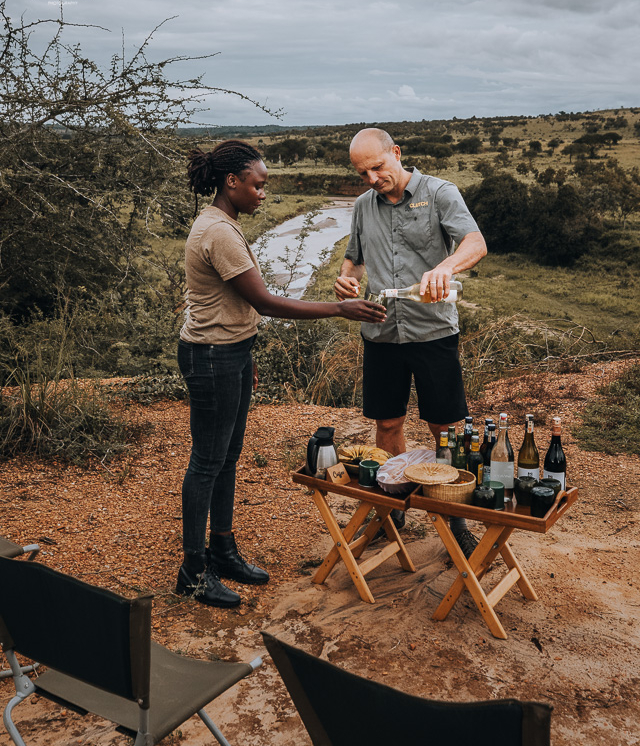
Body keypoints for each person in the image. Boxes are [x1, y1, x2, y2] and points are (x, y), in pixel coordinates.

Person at [177, 140, 386, 608]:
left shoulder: (222, 222)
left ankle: (222, 550)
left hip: (229, 352)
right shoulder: (220, 232)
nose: (263, 193)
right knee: (207, 462)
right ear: (232, 181)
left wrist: (246, 355)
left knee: (227, 457)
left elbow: (236, 309)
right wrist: (339, 307)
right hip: (211, 357)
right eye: (258, 184)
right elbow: (266, 302)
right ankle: (192, 571)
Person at [334, 128, 487, 558]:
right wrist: (348, 277)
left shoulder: (439, 193)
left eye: (377, 167)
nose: (370, 179)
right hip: (381, 332)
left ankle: (455, 520)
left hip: (432, 331)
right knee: (387, 424)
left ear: (396, 154)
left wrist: (446, 267)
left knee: (444, 428)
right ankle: (391, 512)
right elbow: (355, 257)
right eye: (362, 172)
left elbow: (475, 243)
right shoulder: (364, 205)